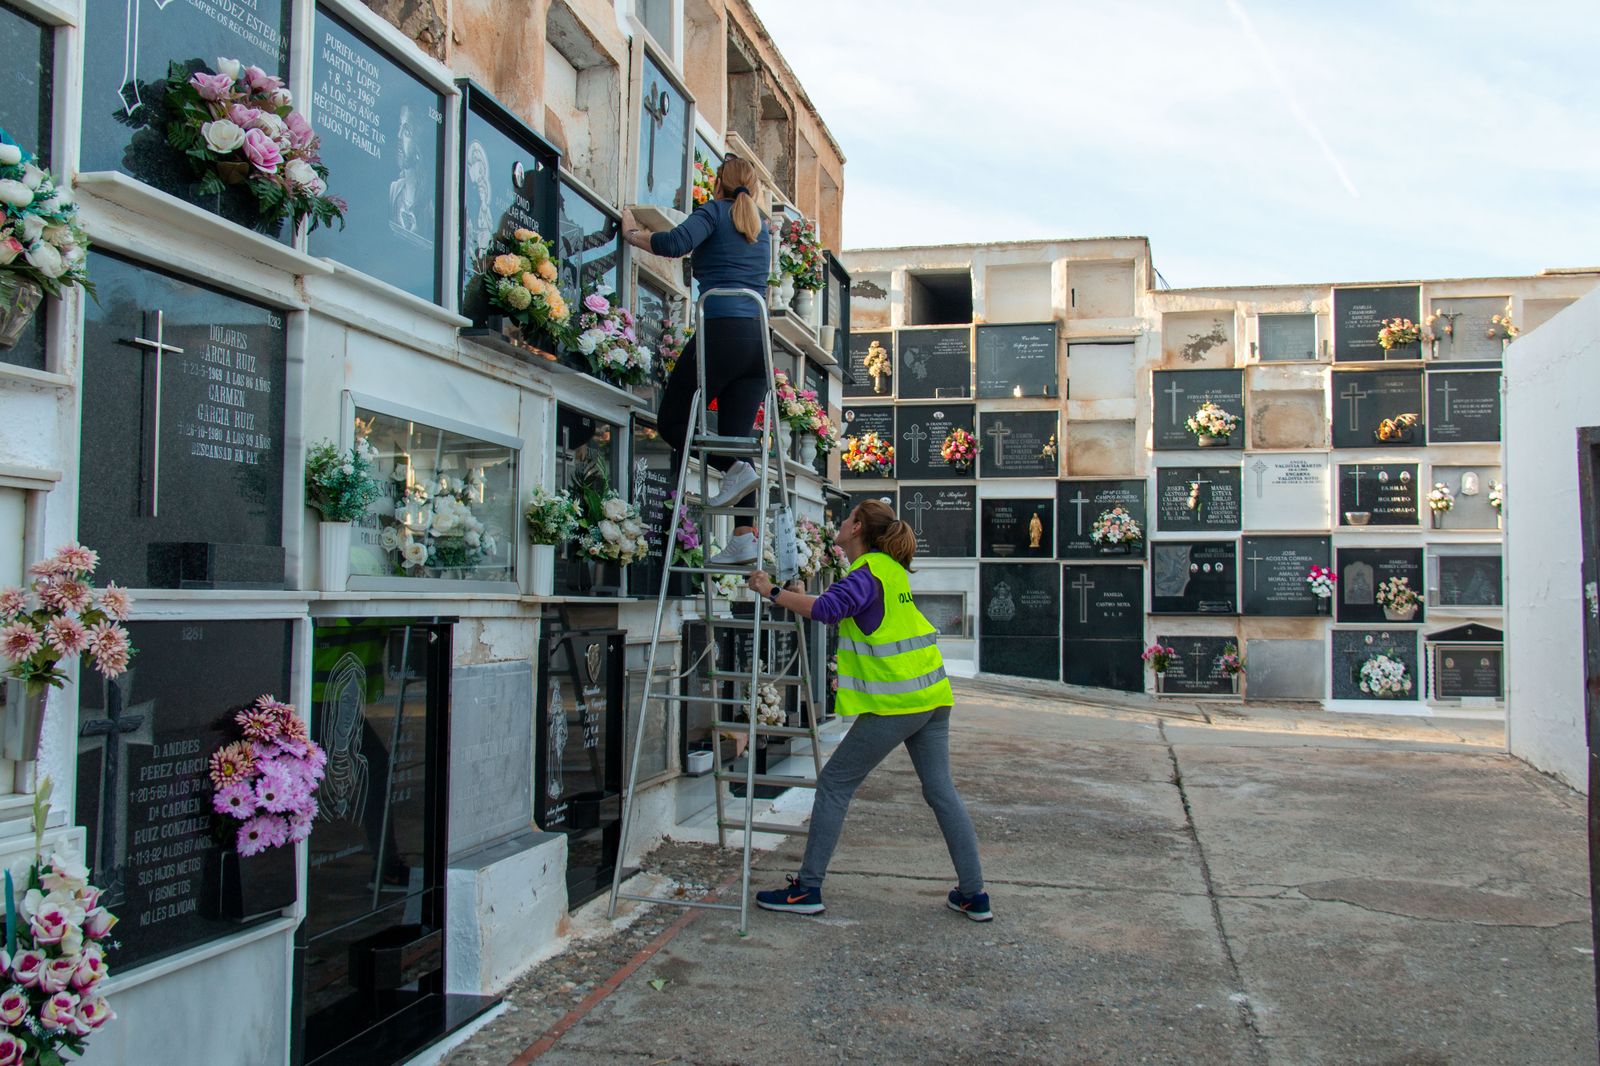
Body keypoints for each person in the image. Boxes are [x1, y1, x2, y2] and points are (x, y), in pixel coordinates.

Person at [743, 499, 991, 921]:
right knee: (941, 792)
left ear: (857, 528)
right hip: (932, 696)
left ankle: (807, 889)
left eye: (846, 518)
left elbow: (826, 610)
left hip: (898, 704)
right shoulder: (890, 570)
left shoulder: (867, 571)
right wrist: (799, 598)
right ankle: (974, 894)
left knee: (835, 784)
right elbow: (847, 604)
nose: (839, 523)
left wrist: (772, 592)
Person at [622, 155, 771, 567]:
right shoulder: (762, 228)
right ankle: (743, 536)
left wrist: (634, 233)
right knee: (737, 441)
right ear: (754, 188)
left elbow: (673, 244)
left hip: (720, 332)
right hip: (757, 345)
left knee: (672, 422)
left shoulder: (714, 212)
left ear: (718, 183)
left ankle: (736, 471)